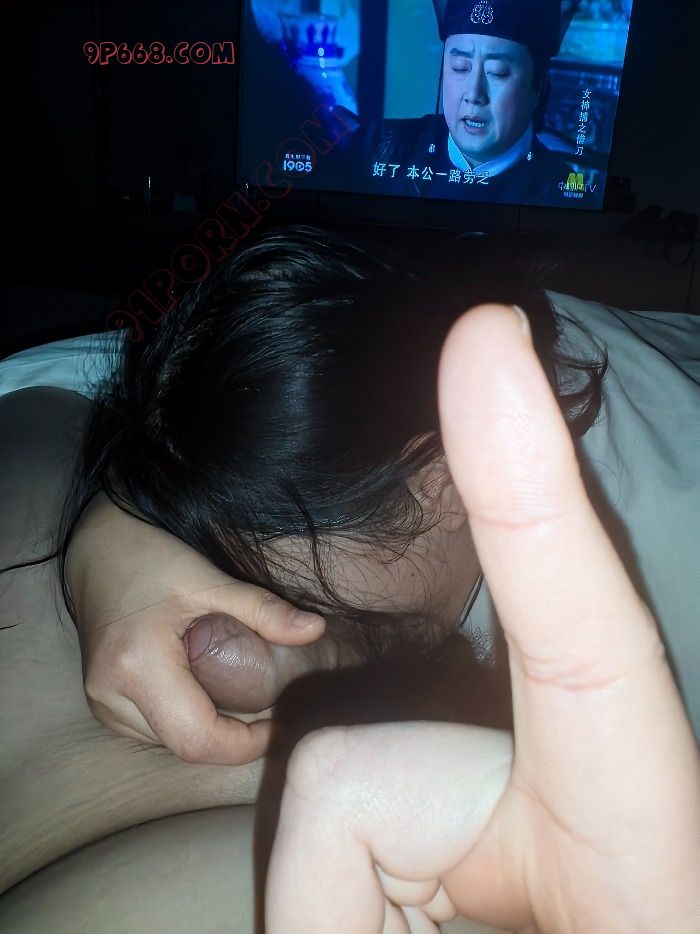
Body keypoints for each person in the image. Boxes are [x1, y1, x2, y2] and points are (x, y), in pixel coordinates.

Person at [331, 0, 575, 205]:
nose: (474, 94)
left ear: (538, 87)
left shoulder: (563, 195)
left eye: (498, 72)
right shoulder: (378, 148)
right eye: (460, 68)